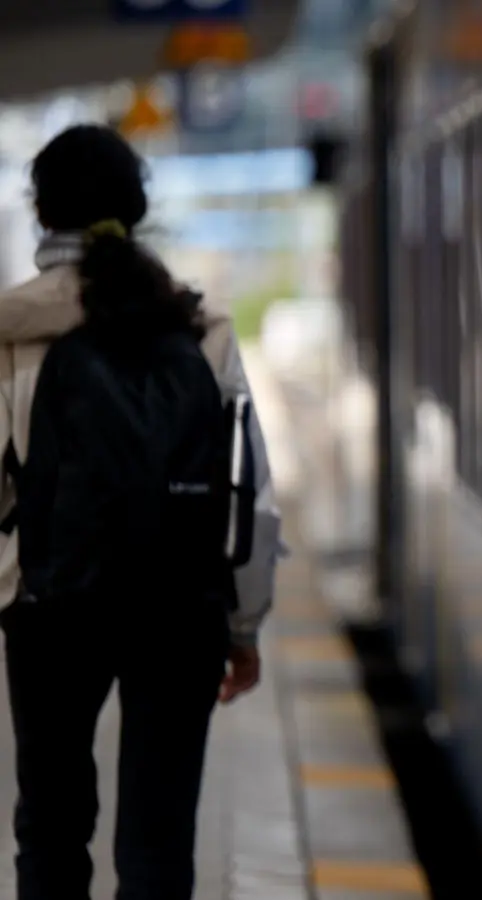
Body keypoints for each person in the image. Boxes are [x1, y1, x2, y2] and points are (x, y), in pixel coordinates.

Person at [0, 124, 283, 899]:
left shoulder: (10, 332)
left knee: (51, 830)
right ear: (136, 210)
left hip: (48, 610)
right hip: (179, 610)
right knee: (159, 847)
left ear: (40, 211)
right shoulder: (201, 327)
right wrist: (244, 628)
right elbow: (252, 503)